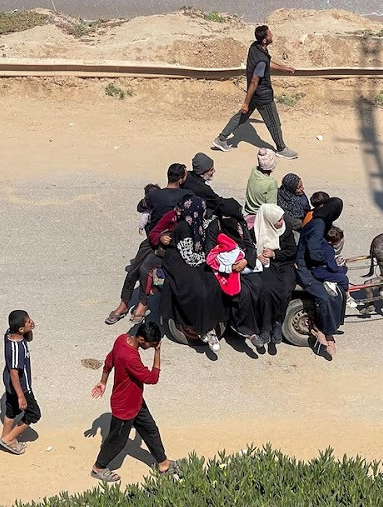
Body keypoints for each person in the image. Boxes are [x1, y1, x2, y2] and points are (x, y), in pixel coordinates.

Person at [89, 322, 180, 483]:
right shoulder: (130, 357)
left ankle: (163, 464)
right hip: (124, 406)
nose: (151, 347)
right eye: (150, 344)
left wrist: (103, 381)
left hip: (136, 401)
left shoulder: (122, 339)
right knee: (117, 440)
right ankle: (98, 468)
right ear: (141, 338)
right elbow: (152, 378)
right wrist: (158, 352)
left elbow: (109, 360)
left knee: (150, 430)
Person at [106, 164, 193, 325]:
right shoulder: (188, 195)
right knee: (141, 269)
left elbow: (141, 207)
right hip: (161, 239)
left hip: (160, 240)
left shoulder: (154, 195)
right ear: (181, 179)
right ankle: (135, 305)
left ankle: (127, 305)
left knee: (136, 269)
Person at [213, 26, 298, 159]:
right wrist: (245, 103)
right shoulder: (261, 61)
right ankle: (281, 148)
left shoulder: (255, 47)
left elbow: (267, 62)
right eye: (270, 34)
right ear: (265, 40)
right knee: (274, 122)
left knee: (241, 116)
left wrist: (284, 68)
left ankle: (221, 139)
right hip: (262, 96)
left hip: (253, 94)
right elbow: (254, 81)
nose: (272, 35)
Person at [159, 195, 225, 351]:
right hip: (179, 260)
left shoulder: (198, 223)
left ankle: (208, 325)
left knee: (214, 286)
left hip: (197, 259)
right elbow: (190, 258)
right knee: (198, 291)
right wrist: (209, 257)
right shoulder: (184, 228)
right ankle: (204, 328)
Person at [206, 198, 264, 348]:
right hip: (223, 267)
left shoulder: (240, 225)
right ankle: (244, 328)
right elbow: (210, 251)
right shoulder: (215, 226)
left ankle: (256, 326)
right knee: (242, 292)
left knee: (258, 287)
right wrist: (228, 264)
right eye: (225, 217)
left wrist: (245, 261)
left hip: (243, 264)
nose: (227, 220)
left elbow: (250, 246)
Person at [295, 197, 346, 356]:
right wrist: (328, 261)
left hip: (312, 266)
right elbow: (314, 252)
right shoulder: (319, 225)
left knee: (335, 294)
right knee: (323, 298)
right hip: (305, 269)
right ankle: (321, 330)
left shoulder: (321, 221)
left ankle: (329, 329)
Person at [253, 203, 297, 344]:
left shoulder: (286, 229)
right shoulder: (256, 231)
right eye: (278, 220)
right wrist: (258, 254)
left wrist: (274, 253)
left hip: (284, 264)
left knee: (286, 289)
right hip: (266, 266)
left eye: (282, 218)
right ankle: (265, 327)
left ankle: (278, 322)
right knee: (267, 290)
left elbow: (291, 251)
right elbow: (247, 248)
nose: (282, 222)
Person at [0, 310, 40, 455]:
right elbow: (14, 374)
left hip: (9, 385)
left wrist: (29, 328)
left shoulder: (9, 333)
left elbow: (28, 338)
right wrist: (21, 396)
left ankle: (4, 439)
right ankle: (9, 440)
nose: (31, 322)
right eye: (28, 321)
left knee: (11, 411)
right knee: (34, 414)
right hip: (21, 387)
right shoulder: (17, 348)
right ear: (21, 329)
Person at [310, 226, 358, 309]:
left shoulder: (320, 243)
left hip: (316, 268)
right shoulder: (329, 249)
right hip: (320, 272)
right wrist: (341, 266)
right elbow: (332, 267)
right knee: (344, 277)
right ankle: (347, 297)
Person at [244, 148, 278, 218]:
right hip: (261, 215)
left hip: (249, 210)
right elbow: (271, 207)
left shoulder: (254, 171)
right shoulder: (271, 183)